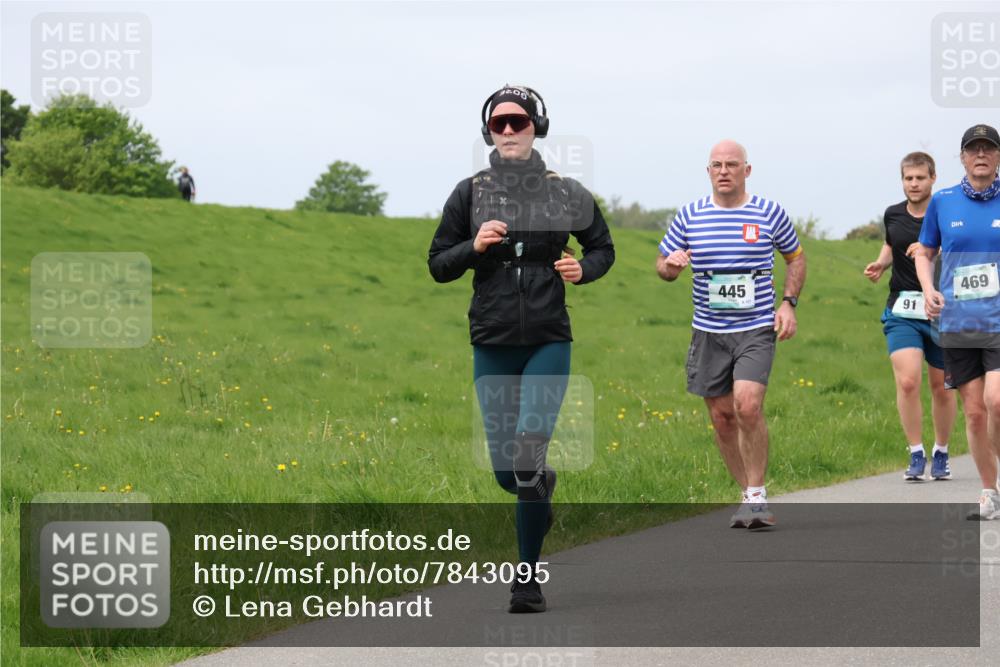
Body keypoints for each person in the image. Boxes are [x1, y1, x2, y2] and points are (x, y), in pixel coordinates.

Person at [428, 85, 615, 611]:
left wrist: (584, 269)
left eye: (519, 121)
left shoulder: (566, 192)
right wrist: (473, 246)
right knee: (508, 473)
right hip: (492, 341)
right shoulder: (468, 194)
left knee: (528, 454)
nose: (508, 130)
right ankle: (539, 490)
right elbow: (438, 264)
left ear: (537, 128)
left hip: (548, 340)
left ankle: (527, 580)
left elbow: (603, 248)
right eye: (499, 123)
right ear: (488, 131)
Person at [656, 140, 806, 530]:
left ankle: (757, 494)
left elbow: (795, 257)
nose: (724, 171)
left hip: (755, 327)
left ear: (747, 170)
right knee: (722, 418)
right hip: (709, 331)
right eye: (717, 165)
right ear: (708, 171)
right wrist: (672, 265)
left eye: (732, 165)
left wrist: (788, 303)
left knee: (747, 405)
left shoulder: (769, 212)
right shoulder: (690, 215)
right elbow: (663, 266)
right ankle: (747, 495)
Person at [916, 123, 1000, 520]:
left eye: (988, 148)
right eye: (973, 149)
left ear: (998, 157)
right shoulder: (943, 201)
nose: (981, 154)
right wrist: (928, 288)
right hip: (958, 322)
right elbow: (924, 251)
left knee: (996, 401)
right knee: (975, 413)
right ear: (963, 157)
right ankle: (989, 492)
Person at [864, 152, 957, 481]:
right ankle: (916, 452)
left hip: (942, 310)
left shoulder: (947, 212)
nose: (914, 184)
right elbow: (891, 244)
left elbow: (959, 249)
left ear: (933, 178)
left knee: (942, 387)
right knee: (907, 381)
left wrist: (932, 250)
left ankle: (941, 451)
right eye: (908, 178)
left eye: (920, 178)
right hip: (902, 309)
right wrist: (881, 263)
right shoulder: (892, 213)